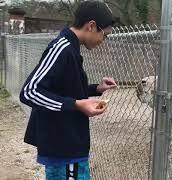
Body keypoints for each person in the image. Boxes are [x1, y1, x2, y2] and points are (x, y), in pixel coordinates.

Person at [19, 1, 116, 179]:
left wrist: (96, 88)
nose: (104, 41)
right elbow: (29, 92)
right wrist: (77, 104)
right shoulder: (62, 49)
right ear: (91, 26)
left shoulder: (72, 48)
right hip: (64, 149)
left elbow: (64, 89)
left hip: (69, 146)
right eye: (105, 35)